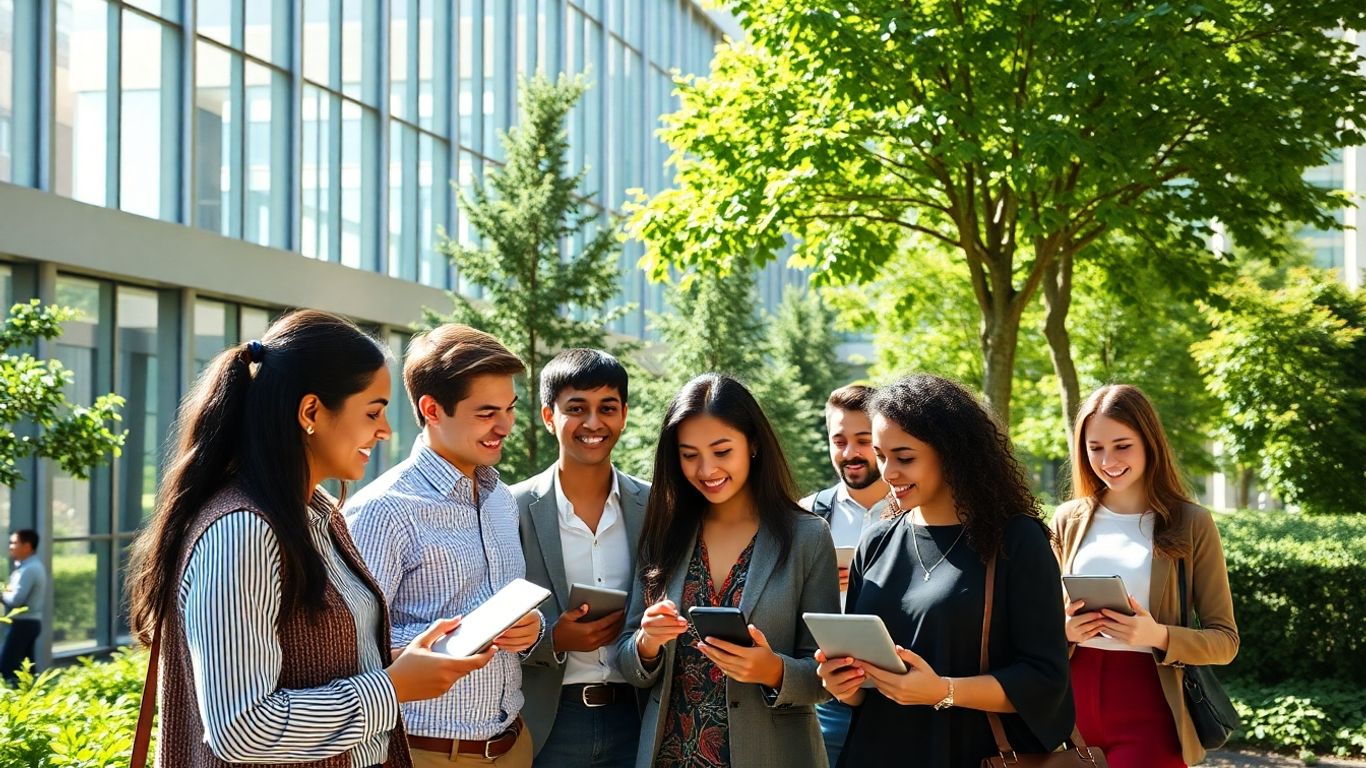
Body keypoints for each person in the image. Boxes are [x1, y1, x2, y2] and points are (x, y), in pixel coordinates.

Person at [125, 310, 490, 768]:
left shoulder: (313, 514)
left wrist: (401, 663)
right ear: (311, 412)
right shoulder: (244, 533)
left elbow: (307, 660)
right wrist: (393, 686)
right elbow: (241, 726)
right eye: (373, 411)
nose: (385, 430)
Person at [816, 374, 1073, 768]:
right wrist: (843, 685)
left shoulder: (1017, 541)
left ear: (952, 453)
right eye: (881, 455)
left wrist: (943, 691)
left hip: (971, 754)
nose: (888, 473)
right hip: (875, 752)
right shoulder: (876, 540)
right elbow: (865, 685)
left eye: (905, 457)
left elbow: (1044, 681)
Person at [616, 373, 840, 768]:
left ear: (753, 444)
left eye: (722, 451)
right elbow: (628, 655)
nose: (706, 469)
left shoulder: (807, 536)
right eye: (689, 455)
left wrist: (773, 671)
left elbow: (828, 676)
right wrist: (647, 644)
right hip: (671, 755)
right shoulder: (663, 532)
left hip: (773, 754)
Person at [346, 324, 542, 768]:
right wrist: (455, 639)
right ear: (432, 409)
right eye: (487, 412)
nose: (505, 426)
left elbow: (506, 612)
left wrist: (528, 632)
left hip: (513, 745)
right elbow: (350, 647)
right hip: (424, 753)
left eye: (509, 409)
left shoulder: (500, 499)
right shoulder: (383, 511)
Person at [1053, 384, 1239, 768]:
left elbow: (1226, 641)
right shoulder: (1067, 519)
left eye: (1123, 445)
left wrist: (1157, 635)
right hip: (1072, 709)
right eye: (1095, 447)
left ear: (1149, 443)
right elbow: (1039, 621)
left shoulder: (1191, 523)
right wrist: (1065, 630)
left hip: (1152, 708)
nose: (1108, 460)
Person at [512, 349, 648, 767]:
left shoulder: (657, 505)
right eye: (576, 408)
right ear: (548, 416)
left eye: (607, 408)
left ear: (623, 415)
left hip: (638, 717)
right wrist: (552, 640)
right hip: (549, 720)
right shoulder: (510, 508)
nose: (593, 423)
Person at [798, 385, 889, 768]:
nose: (849, 453)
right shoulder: (807, 514)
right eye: (839, 440)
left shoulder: (917, 512)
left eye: (863, 441)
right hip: (828, 698)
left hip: (899, 692)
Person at [1, 528, 47, 682]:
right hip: (30, 623)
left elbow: (16, 600)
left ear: (27, 546)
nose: (11, 546)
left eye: (14, 543)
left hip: (23, 624)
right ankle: (30, 699)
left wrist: (1, 594)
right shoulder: (30, 566)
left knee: (6, 667)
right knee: (26, 669)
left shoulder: (28, 569)